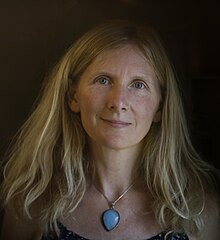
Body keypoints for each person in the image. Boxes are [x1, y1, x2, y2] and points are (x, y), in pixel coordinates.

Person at [0, 20, 219, 240]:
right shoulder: (30, 203)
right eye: (103, 80)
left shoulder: (198, 208)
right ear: (73, 97)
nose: (118, 102)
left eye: (138, 84)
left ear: (160, 107)